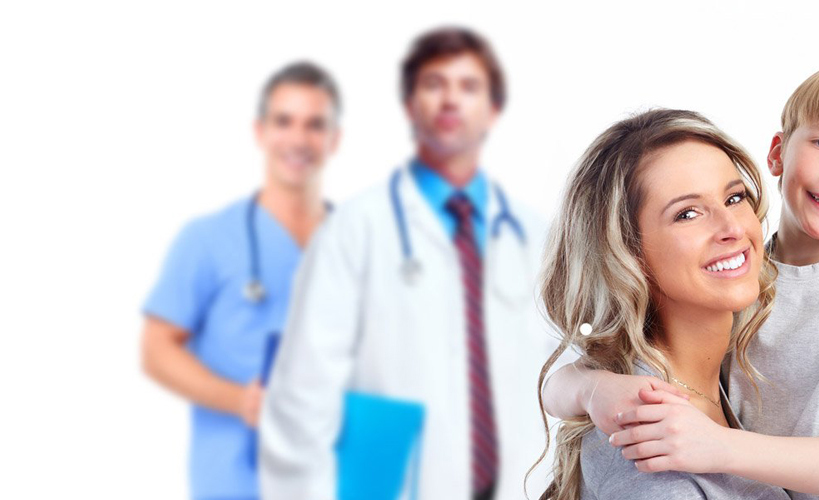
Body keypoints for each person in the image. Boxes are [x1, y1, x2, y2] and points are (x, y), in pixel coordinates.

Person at [539, 62, 819, 499]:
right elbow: (561, 382)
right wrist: (591, 390)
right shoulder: (741, 281)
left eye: (734, 198)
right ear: (777, 154)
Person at [259, 26, 554, 500]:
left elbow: (562, 373)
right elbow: (303, 392)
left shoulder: (536, 236)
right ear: (409, 106)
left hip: (524, 486)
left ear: (493, 109)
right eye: (434, 84)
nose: (450, 99)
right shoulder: (355, 229)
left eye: (469, 86)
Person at [535, 108, 789, 500]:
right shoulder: (648, 448)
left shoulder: (739, 368)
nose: (733, 228)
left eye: (734, 197)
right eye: (687, 214)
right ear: (627, 253)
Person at [140, 60, 340, 500]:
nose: (298, 139)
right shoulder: (208, 239)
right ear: (259, 132)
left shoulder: (360, 243)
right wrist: (240, 400)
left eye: (314, 125)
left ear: (335, 139)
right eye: (283, 121)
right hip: (236, 483)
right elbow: (156, 350)